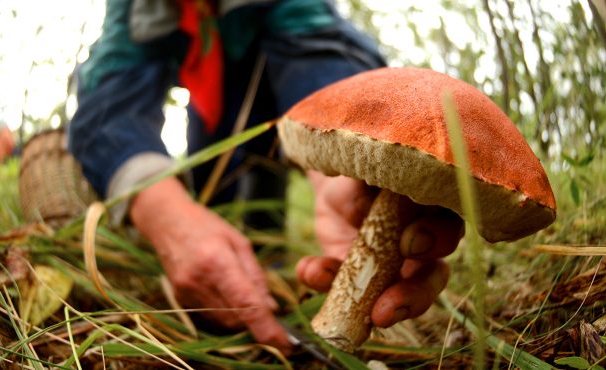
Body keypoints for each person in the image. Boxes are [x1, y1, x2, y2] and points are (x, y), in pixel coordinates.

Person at [68, 0, 464, 353]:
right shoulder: (135, 9)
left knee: (265, 201)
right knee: (209, 202)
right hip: (207, 114)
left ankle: (270, 282)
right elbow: (110, 98)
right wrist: (164, 213)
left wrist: (341, 172)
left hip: (275, 111)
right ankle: (215, 302)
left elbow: (319, 48)